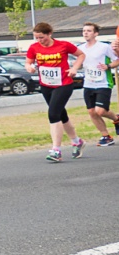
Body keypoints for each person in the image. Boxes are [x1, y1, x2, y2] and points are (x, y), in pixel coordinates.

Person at [25, 22, 86, 162]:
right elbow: (28, 62)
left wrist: (74, 68)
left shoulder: (63, 45)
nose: (40, 41)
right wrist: (29, 67)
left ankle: (56, 150)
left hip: (63, 84)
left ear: (49, 34)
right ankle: (77, 142)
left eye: (42, 37)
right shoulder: (34, 48)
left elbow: (81, 55)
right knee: (61, 115)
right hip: (46, 85)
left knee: (53, 114)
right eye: (36, 38)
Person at [76, 22, 119, 147]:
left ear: (96, 33)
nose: (86, 33)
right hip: (88, 83)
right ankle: (106, 136)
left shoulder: (104, 47)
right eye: (84, 31)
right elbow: (78, 62)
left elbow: (117, 60)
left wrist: (108, 66)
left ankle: (116, 118)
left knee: (100, 111)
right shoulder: (81, 48)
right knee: (92, 112)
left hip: (103, 83)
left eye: (89, 31)